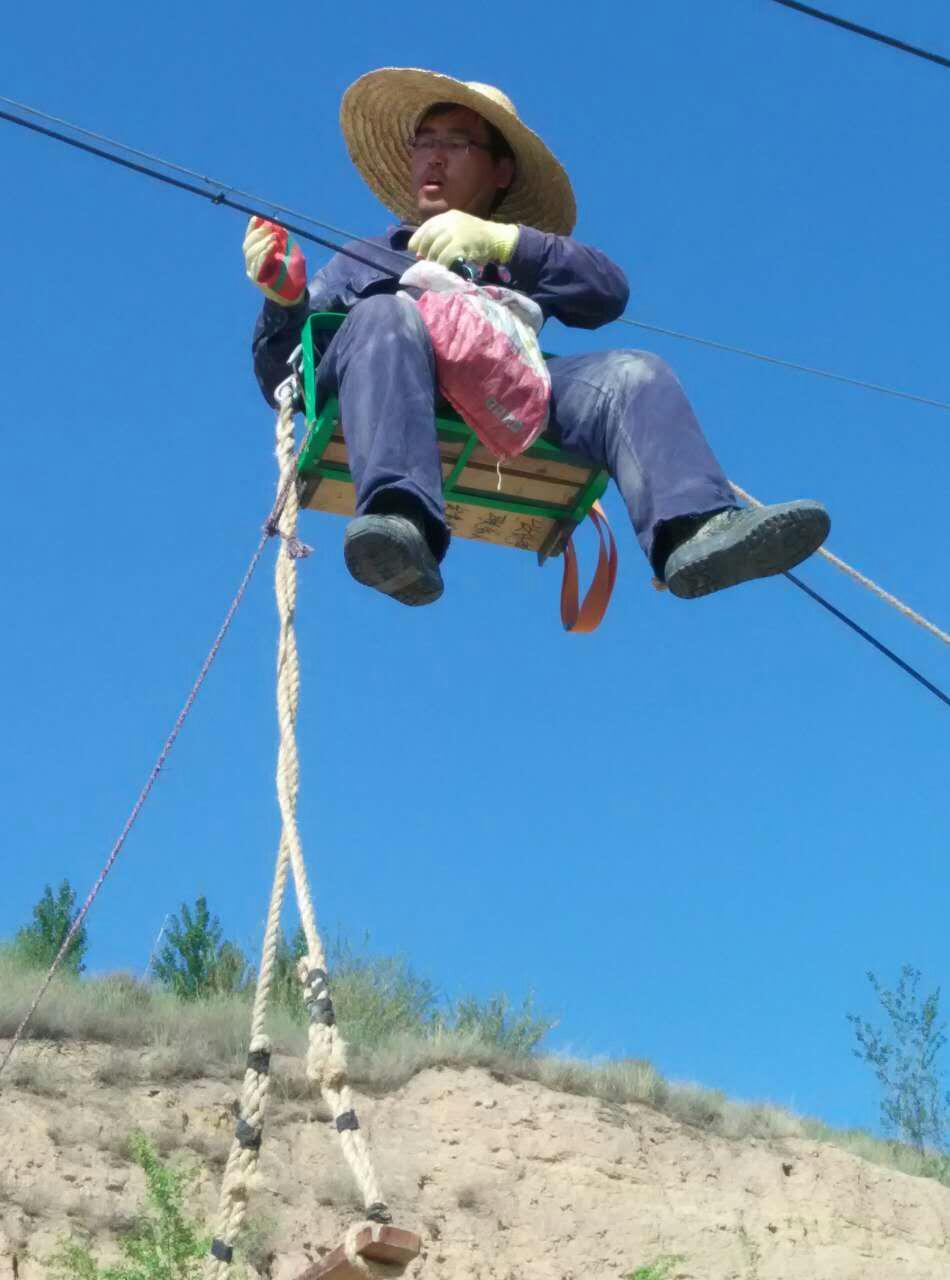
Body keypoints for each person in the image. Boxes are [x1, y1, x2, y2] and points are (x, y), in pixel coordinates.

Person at [247, 68, 829, 608]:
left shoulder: (519, 256)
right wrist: (284, 301)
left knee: (634, 374)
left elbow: (608, 292)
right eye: (424, 142)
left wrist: (506, 244)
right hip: (398, 392)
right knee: (386, 315)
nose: (434, 157)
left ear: (500, 171)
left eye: (457, 143)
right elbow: (284, 381)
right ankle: (400, 524)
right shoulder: (366, 257)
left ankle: (694, 530)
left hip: (512, 398)